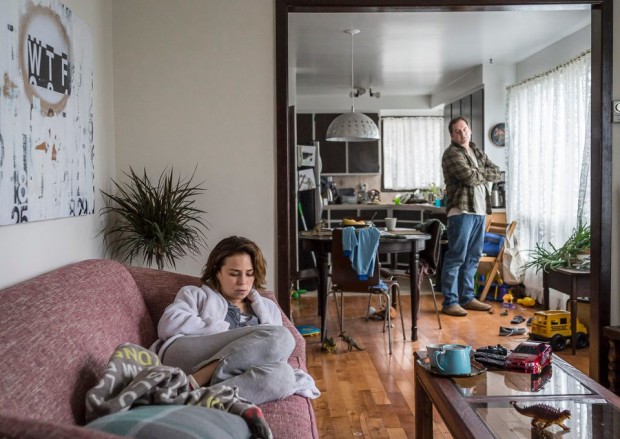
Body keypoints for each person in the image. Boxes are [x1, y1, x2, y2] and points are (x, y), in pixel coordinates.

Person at [151, 236, 319, 405]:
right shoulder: (196, 294)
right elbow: (168, 325)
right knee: (282, 337)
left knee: (284, 376)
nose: (243, 282)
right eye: (234, 274)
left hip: (235, 374)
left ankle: (198, 400)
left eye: (249, 274)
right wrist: (226, 332)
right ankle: (199, 378)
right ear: (217, 272)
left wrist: (245, 353)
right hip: (187, 356)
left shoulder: (268, 307)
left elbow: (275, 356)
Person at [440, 116, 501, 317]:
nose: (462, 133)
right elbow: (469, 177)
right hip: (461, 212)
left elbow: (497, 172)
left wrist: (478, 171)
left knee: (473, 257)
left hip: (480, 212)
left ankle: (467, 298)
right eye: (457, 131)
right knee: (456, 256)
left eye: (464, 129)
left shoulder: (476, 151)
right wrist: (479, 173)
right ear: (452, 135)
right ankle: (450, 302)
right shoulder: (451, 154)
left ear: (470, 130)